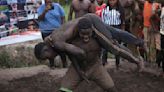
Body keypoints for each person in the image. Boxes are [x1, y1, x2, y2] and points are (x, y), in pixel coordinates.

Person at [34, 16, 144, 92]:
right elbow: (71, 54)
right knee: (114, 33)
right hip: (85, 22)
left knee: (113, 46)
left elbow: (80, 53)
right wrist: (79, 70)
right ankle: (139, 42)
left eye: (47, 57)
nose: (50, 59)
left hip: (90, 21)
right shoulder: (52, 40)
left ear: (46, 50)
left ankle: (137, 59)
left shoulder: (57, 42)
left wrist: (84, 63)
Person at [37, 0, 66, 68]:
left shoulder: (57, 6)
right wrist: (45, 11)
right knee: (48, 49)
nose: (49, 1)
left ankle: (64, 64)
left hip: (57, 31)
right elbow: (40, 19)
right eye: (47, 1)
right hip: (46, 32)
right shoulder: (41, 8)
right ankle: (52, 65)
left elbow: (63, 17)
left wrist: (63, 28)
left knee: (60, 48)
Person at [101, 0, 125, 67]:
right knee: (105, 45)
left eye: (113, 0)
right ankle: (103, 62)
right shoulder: (105, 8)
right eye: (110, 0)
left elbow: (122, 22)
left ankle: (117, 63)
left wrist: (122, 32)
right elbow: (102, 19)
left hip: (116, 28)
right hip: (107, 28)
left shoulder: (120, 9)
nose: (112, 2)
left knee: (117, 46)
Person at [156, 1, 164, 78]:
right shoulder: (161, 10)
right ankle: (162, 70)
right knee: (162, 51)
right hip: (162, 33)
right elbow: (153, 17)